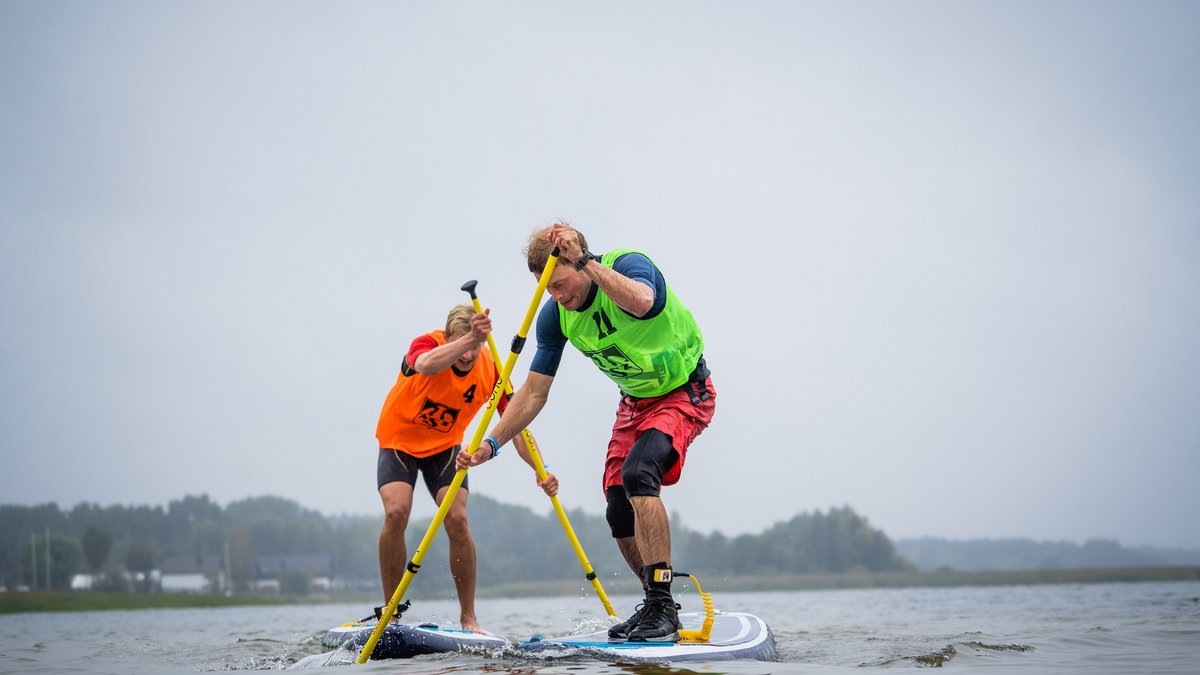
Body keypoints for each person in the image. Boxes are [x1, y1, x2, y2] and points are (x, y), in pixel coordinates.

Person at [457, 222, 716, 642]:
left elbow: (643, 303)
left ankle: (663, 603)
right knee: (617, 507)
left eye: (561, 284)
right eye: (549, 291)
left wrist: (586, 261)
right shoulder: (556, 317)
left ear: (580, 262)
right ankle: (656, 604)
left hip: (685, 391)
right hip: (634, 404)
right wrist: (492, 444)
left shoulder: (629, 265)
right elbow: (533, 394)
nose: (558, 297)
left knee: (639, 475)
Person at [374, 303, 501, 632]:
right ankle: (391, 612)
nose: (468, 355)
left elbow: (516, 421)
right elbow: (426, 367)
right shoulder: (426, 344)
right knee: (396, 513)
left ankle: (468, 617)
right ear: (448, 337)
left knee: (458, 520)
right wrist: (468, 338)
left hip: (445, 447)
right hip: (399, 440)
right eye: (462, 345)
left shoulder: (492, 366)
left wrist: (540, 470)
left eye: (475, 347)